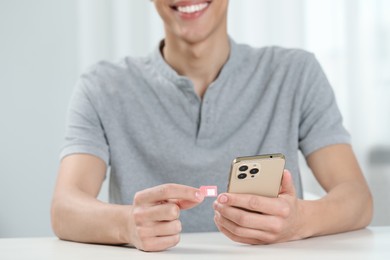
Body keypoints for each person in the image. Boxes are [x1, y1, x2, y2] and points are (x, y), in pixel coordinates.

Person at [51, 0, 373, 252]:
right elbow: (65, 207)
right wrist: (126, 224)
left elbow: (357, 198)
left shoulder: (296, 73)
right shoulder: (101, 86)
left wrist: (299, 221)